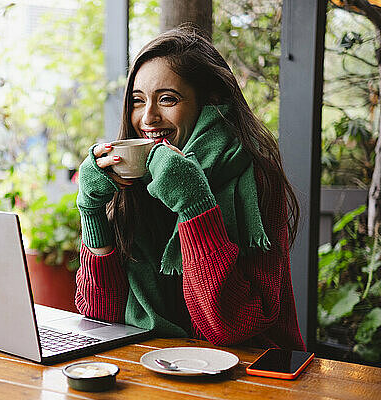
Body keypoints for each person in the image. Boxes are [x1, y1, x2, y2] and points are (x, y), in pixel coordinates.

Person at [74, 25, 305, 350]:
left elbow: (233, 327)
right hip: (154, 365)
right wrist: (92, 210)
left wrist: (194, 203)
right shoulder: (131, 180)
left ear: (209, 100)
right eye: (138, 101)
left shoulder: (255, 176)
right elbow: (99, 314)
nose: (148, 117)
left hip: (250, 373)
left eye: (167, 99)